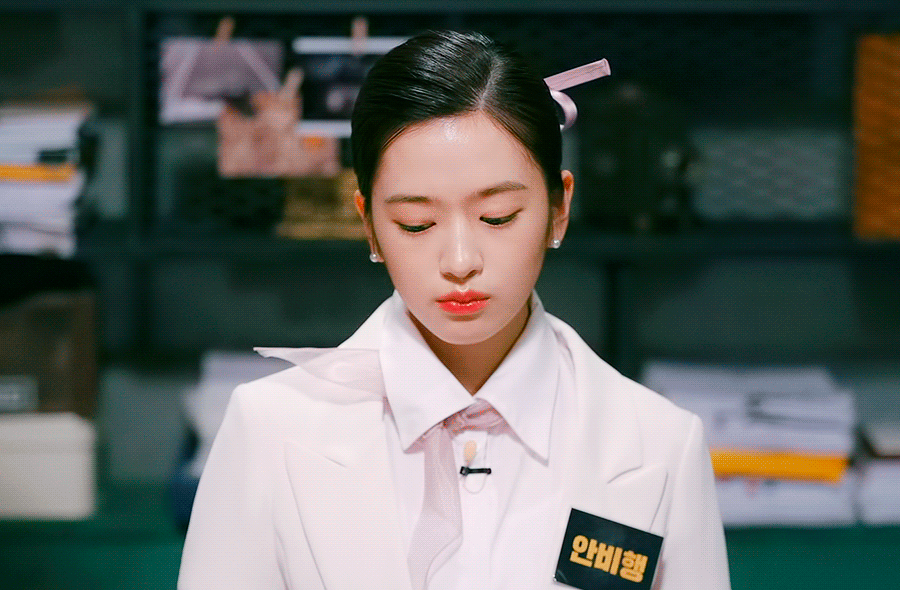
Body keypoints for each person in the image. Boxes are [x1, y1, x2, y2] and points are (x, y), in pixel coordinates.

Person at [178, 30, 730, 590]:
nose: (461, 261)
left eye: (498, 217)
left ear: (559, 208)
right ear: (369, 225)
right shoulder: (269, 428)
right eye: (416, 224)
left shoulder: (660, 444)